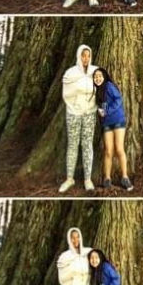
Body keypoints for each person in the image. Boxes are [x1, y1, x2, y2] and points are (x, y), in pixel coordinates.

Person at [60, 45, 98, 192]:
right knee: (73, 144)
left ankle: (87, 179)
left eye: (88, 56)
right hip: (73, 113)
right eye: (83, 55)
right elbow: (66, 94)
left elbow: (100, 90)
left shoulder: (95, 72)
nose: (86, 59)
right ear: (78, 56)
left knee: (87, 145)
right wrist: (76, 108)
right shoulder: (71, 73)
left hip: (89, 113)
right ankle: (69, 178)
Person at [92, 68, 134, 191]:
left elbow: (118, 100)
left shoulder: (109, 86)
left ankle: (125, 177)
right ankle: (107, 179)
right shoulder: (97, 91)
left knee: (119, 149)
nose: (97, 78)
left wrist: (107, 111)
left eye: (99, 76)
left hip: (117, 121)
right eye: (95, 77)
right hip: (107, 124)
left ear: (104, 77)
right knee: (108, 151)